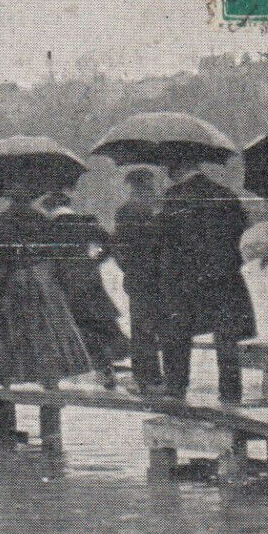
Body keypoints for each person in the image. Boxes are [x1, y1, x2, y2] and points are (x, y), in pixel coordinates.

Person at [154, 164, 257, 403]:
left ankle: (176, 387)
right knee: (226, 337)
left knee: (177, 334)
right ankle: (231, 393)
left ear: (175, 169)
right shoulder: (226, 194)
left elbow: (162, 240)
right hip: (223, 277)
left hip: (184, 280)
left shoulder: (173, 198)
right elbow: (242, 235)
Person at [0, 183, 93, 387]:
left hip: (12, 280)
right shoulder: (42, 219)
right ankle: (49, 378)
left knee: (10, 331)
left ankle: (7, 377)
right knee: (46, 328)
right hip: (41, 279)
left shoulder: (0, 221)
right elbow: (54, 253)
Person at [41, 192, 124, 388]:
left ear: (50, 208)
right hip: (88, 279)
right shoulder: (85, 222)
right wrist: (96, 260)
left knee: (68, 326)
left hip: (62, 281)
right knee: (97, 325)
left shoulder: (49, 227)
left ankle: (68, 374)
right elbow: (111, 242)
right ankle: (106, 371)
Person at [111, 168, 166, 394]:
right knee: (163, 326)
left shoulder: (125, 211)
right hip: (163, 275)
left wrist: (129, 268)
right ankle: (160, 377)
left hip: (139, 277)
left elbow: (118, 246)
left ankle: (145, 376)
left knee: (141, 327)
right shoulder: (158, 209)